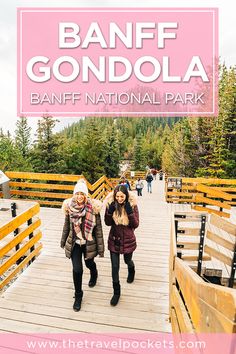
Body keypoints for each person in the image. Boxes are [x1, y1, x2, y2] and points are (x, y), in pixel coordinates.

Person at [60, 179, 104, 312]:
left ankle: (94, 272)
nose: (79, 196)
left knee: (89, 263)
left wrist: (101, 249)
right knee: (77, 269)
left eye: (82, 194)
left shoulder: (93, 209)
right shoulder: (70, 208)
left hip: (89, 242)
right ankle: (78, 295)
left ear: (86, 195)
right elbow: (67, 226)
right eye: (77, 193)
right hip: (75, 243)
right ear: (74, 195)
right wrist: (63, 241)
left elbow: (98, 230)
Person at [104, 185, 139, 306]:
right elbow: (107, 223)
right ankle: (116, 292)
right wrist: (110, 211)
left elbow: (135, 224)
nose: (119, 199)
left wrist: (129, 212)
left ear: (126, 196)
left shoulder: (132, 205)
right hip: (114, 239)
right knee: (114, 267)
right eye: (117, 196)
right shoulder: (111, 204)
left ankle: (131, 269)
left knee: (127, 260)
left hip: (128, 239)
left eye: (122, 196)